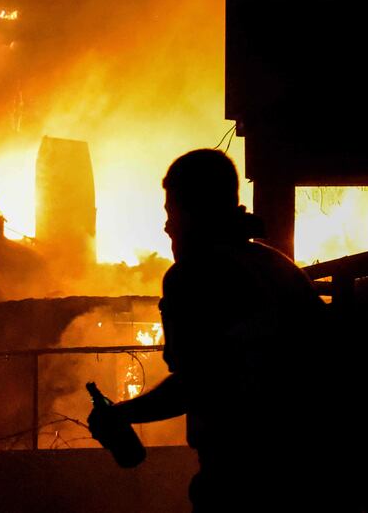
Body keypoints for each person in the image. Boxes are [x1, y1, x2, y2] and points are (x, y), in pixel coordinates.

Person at [89, 149, 342, 512]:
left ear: (194, 213)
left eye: (171, 212)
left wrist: (121, 415)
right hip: (316, 476)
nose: (167, 226)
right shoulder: (277, 267)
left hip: (242, 480)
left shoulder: (193, 277)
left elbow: (198, 383)